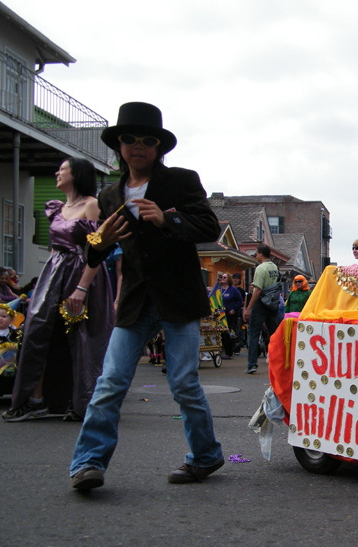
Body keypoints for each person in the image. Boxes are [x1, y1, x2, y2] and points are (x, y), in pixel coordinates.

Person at [69, 101, 224, 490]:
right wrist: (98, 241)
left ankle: (205, 456)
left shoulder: (181, 181)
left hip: (178, 296)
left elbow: (208, 227)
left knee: (184, 383)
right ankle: (88, 464)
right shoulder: (109, 194)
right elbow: (96, 250)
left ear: (158, 147)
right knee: (110, 383)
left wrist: (168, 218)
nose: (138, 146)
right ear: (119, 146)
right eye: (130, 139)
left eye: (147, 140)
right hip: (135, 300)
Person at [4, 158, 114, 422]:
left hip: (82, 274)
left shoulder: (92, 205)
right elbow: (55, 248)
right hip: (53, 274)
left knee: (82, 336)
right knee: (37, 332)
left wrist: (81, 288)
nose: (57, 172)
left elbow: (97, 249)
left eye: (62, 169)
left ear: (76, 174)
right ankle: (35, 400)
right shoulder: (57, 208)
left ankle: (83, 403)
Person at [243, 243, 281, 374]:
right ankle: (277, 361)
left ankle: (252, 364)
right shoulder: (275, 267)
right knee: (274, 334)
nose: (256, 255)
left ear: (260, 253)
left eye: (256, 252)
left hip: (261, 303)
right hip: (273, 303)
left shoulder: (260, 268)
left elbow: (257, 289)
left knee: (254, 333)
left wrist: (249, 307)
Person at [217, 272, 243, 358]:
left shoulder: (233, 289)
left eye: (224, 277)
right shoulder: (219, 289)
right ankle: (222, 350)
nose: (222, 278)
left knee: (229, 332)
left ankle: (229, 352)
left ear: (228, 279)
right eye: (221, 277)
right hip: (221, 314)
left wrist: (234, 309)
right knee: (221, 332)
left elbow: (240, 300)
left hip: (230, 314)